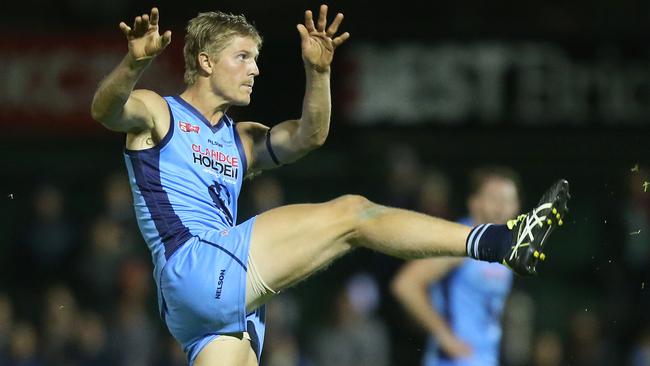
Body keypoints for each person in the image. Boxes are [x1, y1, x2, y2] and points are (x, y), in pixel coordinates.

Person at [90, 5, 570, 366]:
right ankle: (501, 240)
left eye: (256, 58)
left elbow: (308, 136)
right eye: (243, 57)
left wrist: (318, 74)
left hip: (201, 310)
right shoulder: (160, 111)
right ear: (206, 61)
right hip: (196, 262)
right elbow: (106, 111)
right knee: (354, 214)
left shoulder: (241, 139)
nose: (255, 68)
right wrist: (133, 65)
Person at [392, 167, 521, 366]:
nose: (502, 207)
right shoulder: (461, 241)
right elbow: (405, 284)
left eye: (508, 200)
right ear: (474, 202)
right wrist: (443, 335)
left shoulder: (507, 250)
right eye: (495, 199)